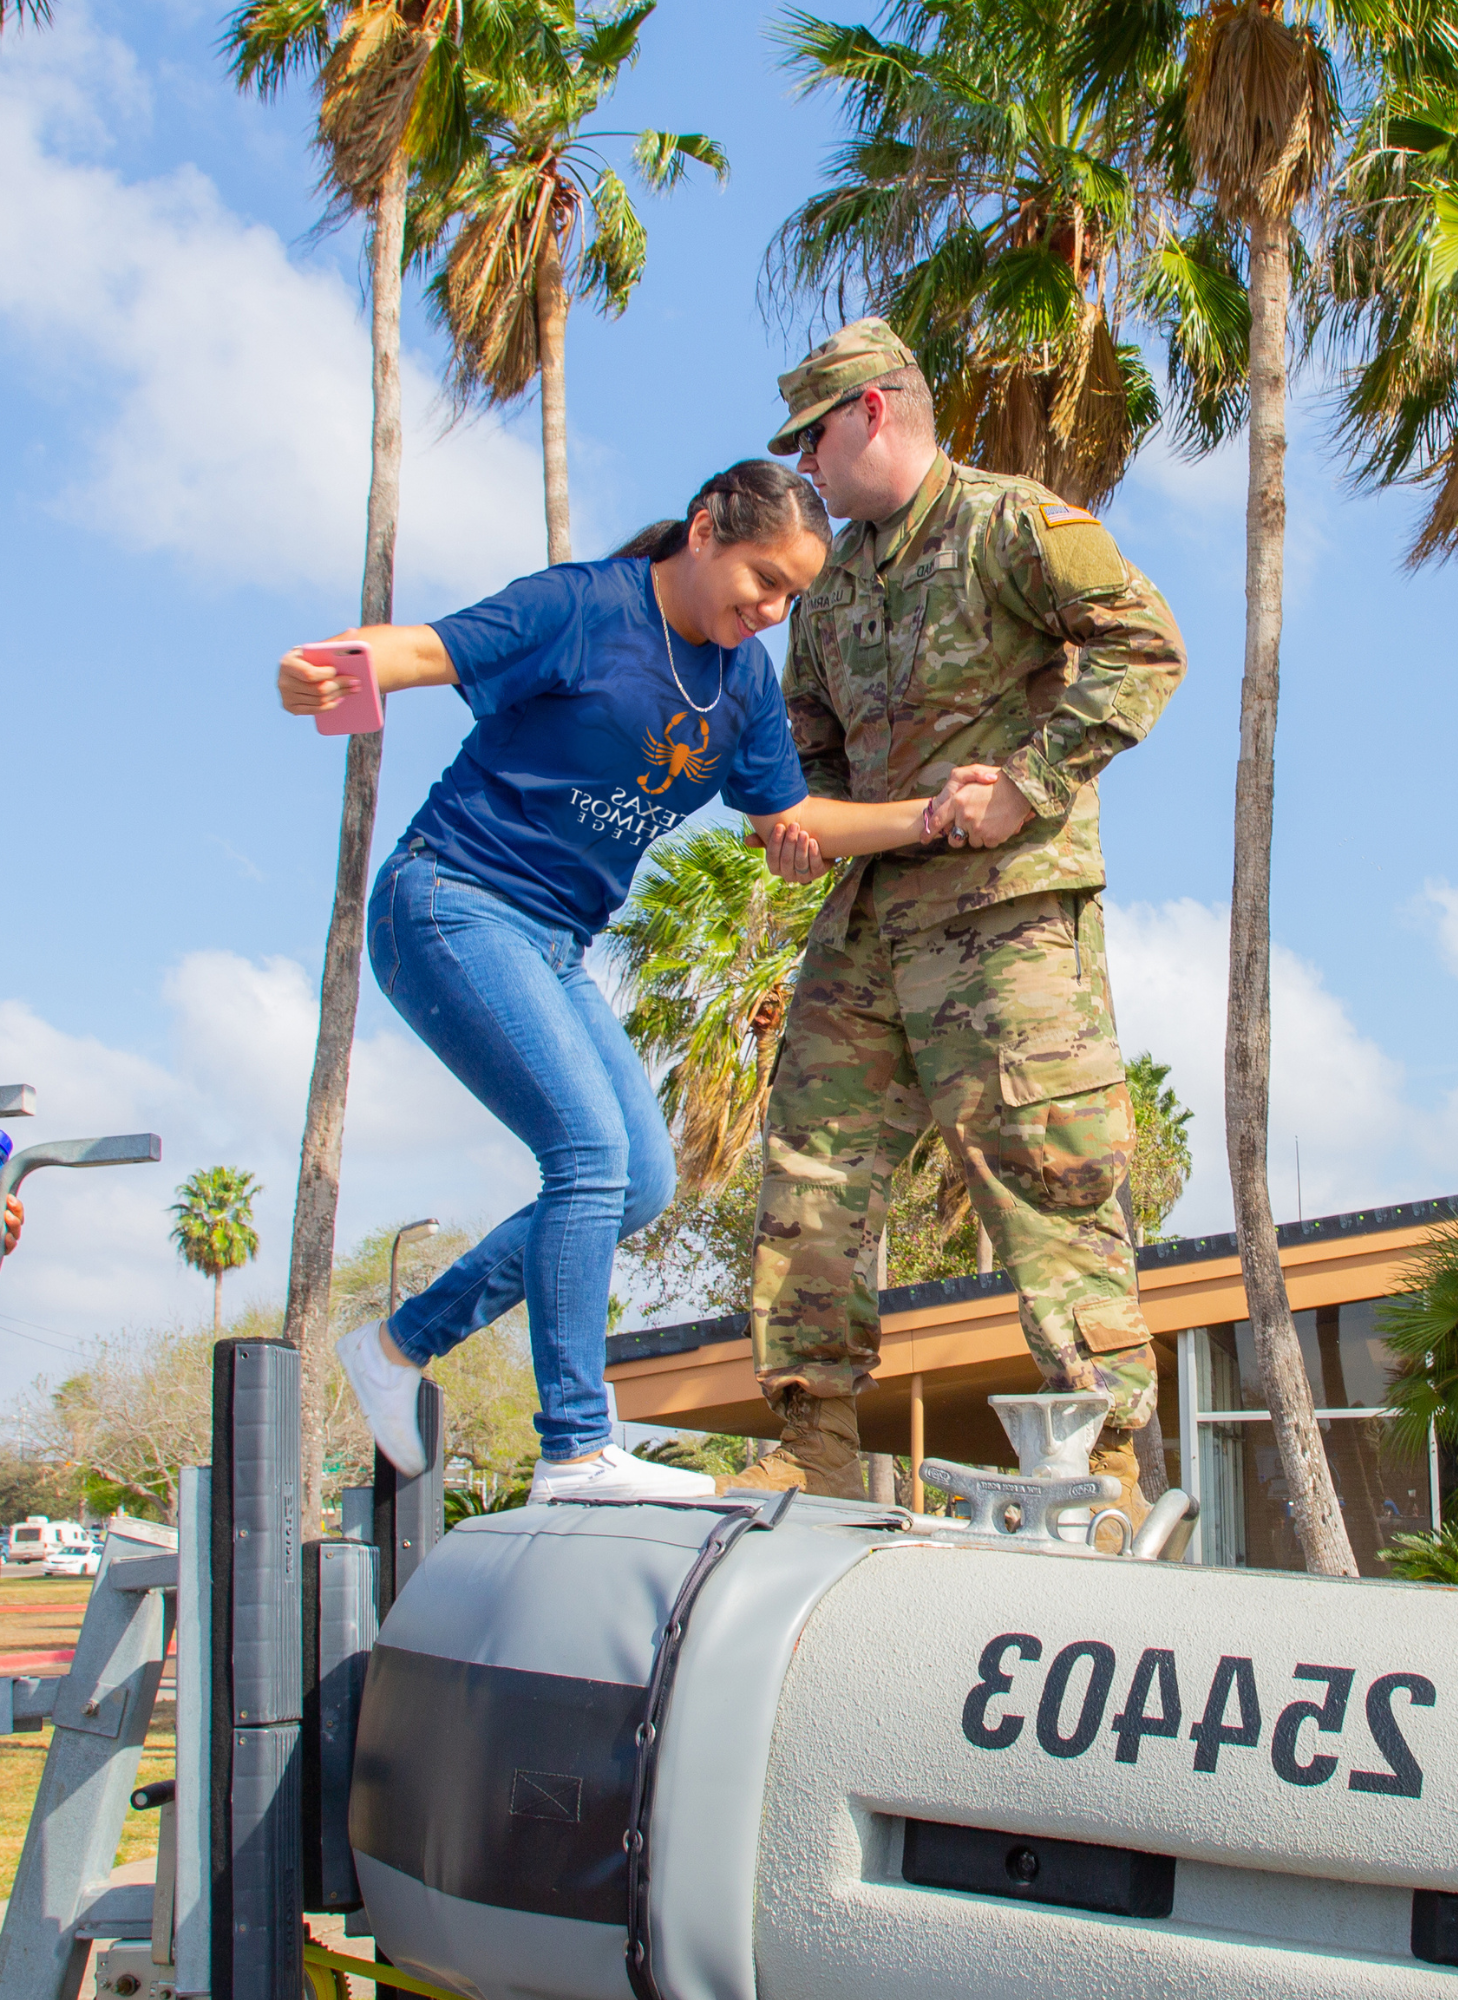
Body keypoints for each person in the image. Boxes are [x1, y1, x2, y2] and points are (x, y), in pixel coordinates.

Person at [278, 460, 962, 1504]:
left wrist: (929, 816)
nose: (772, 610)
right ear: (704, 530)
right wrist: (322, 668)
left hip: (551, 943)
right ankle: (575, 1448)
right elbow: (423, 648)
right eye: (762, 580)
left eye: (791, 596)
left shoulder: (741, 684)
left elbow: (794, 820)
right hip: (451, 902)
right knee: (588, 1155)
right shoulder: (582, 606)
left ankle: (398, 1344)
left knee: (638, 1181)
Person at [736, 319, 1187, 1526]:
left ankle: (1104, 1457)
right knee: (810, 1168)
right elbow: (810, 750)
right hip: (869, 924)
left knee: (1051, 1169)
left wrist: (1029, 781)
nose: (807, 467)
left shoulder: (1009, 521)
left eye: (814, 437)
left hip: (1006, 915)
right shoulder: (827, 594)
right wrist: (799, 824)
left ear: (874, 411)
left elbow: (1146, 646)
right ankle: (816, 1439)